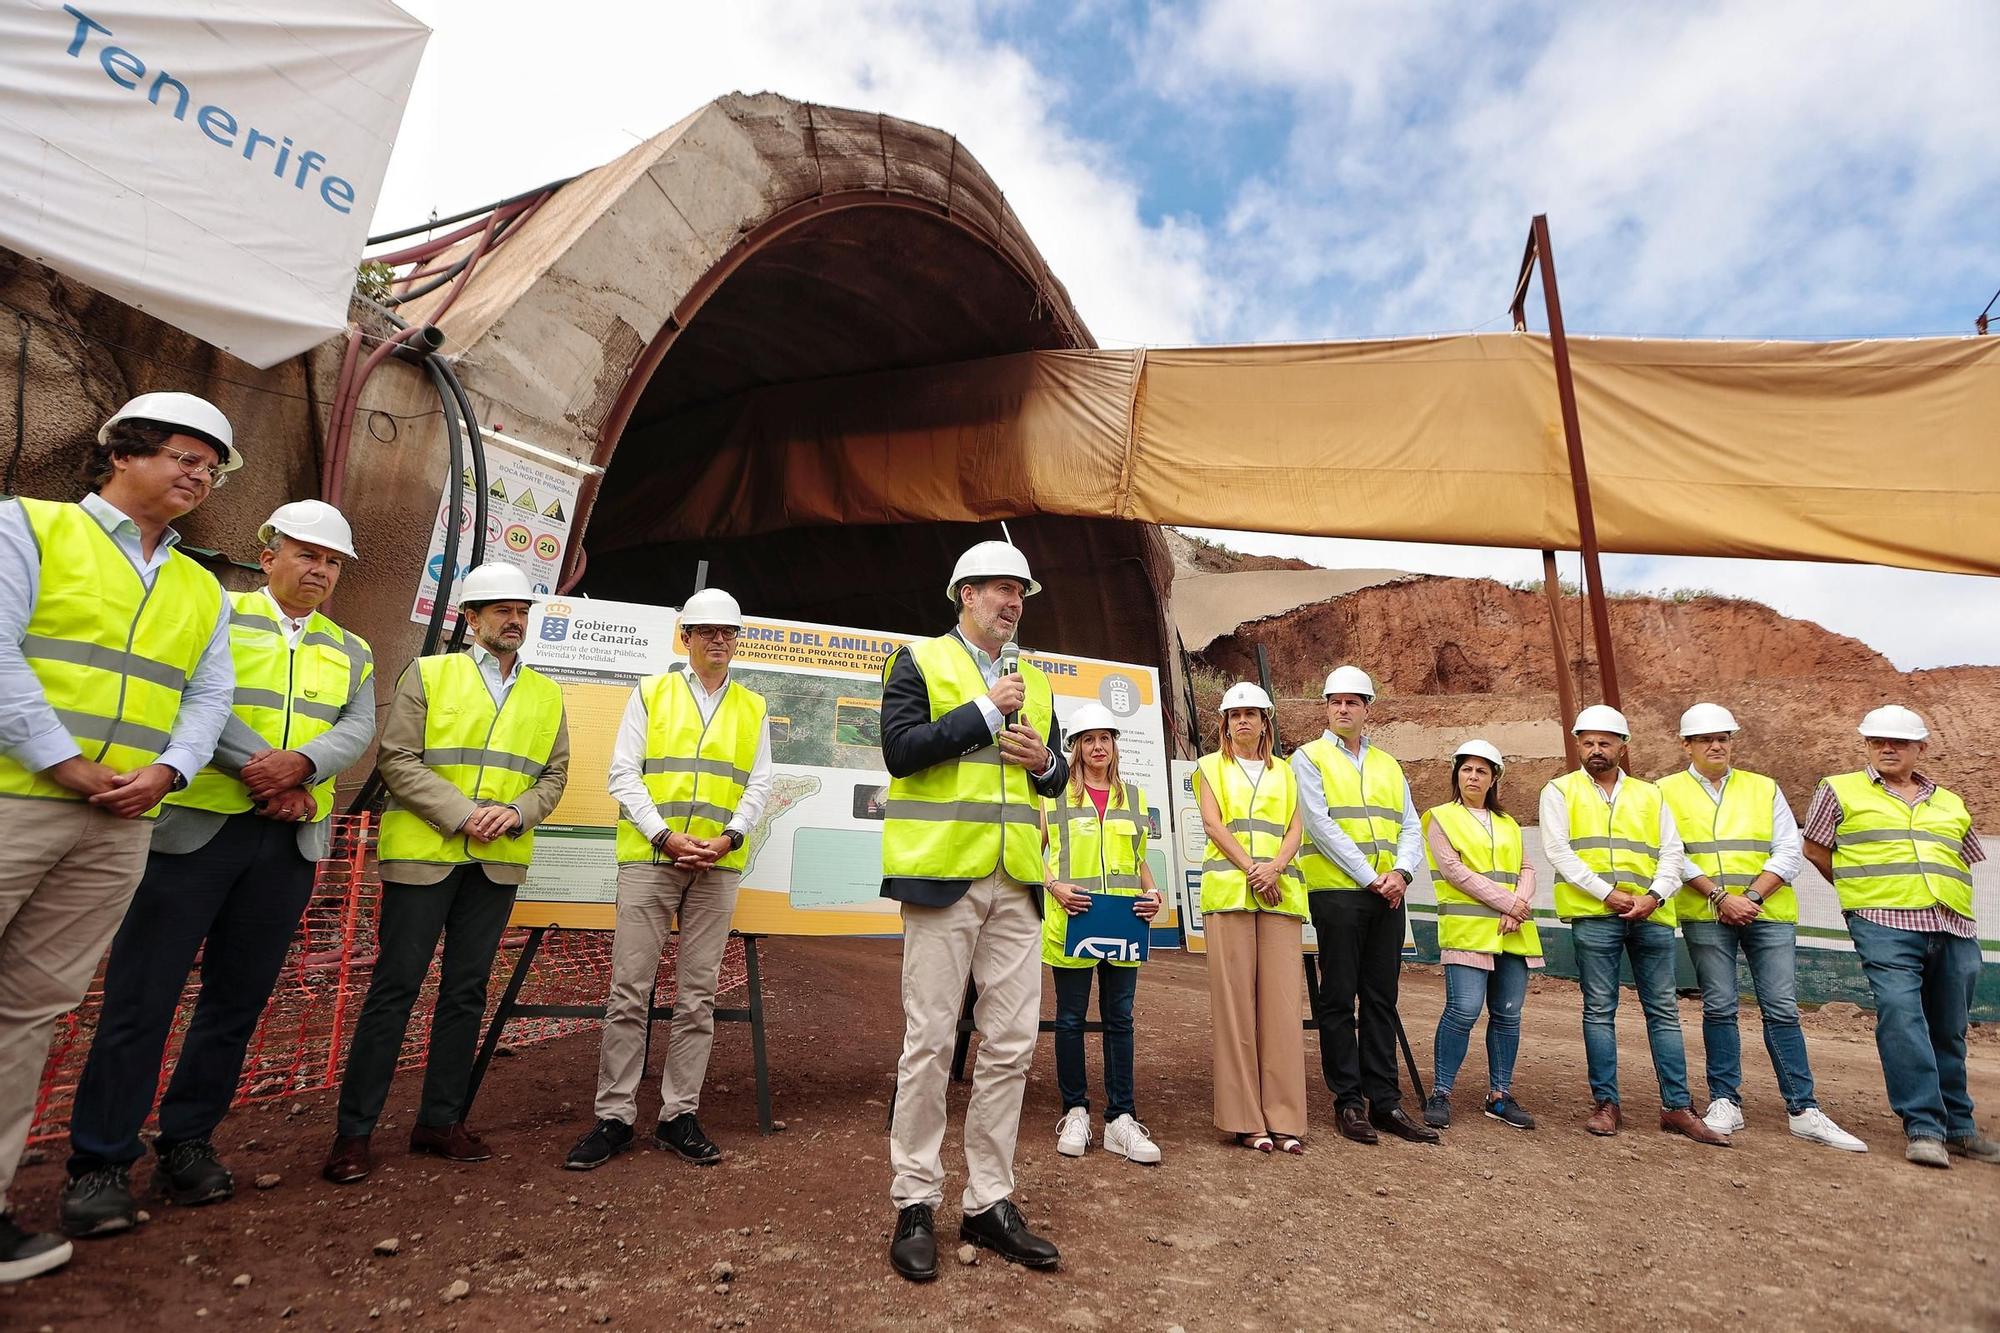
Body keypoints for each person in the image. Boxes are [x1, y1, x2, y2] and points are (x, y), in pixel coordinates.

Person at [62, 501, 376, 1237]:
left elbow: (358, 726)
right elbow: (195, 696)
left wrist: (303, 767)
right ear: (267, 554)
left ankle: (188, 1141)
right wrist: (263, 770)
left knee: (236, 1003)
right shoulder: (217, 614)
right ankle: (100, 1161)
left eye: (331, 560)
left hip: (287, 843)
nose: (320, 570)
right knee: (144, 996)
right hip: (197, 830)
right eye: (306, 553)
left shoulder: (351, 648)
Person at [0, 392, 237, 1283]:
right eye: (184, 457)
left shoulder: (198, 585)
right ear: (123, 453)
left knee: (30, 1008)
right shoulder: (29, 528)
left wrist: (170, 770)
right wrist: (60, 759)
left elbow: (207, 696)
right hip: (17, 796)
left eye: (211, 469)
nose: (198, 476)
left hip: (121, 820)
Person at [322, 562, 569, 1184]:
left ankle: (440, 1121)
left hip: (498, 860)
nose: (514, 620)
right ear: (471, 618)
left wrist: (513, 813)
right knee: (395, 988)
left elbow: (554, 775)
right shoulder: (429, 674)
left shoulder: (545, 692)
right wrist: (463, 815)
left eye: (522, 611)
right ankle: (355, 1133)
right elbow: (397, 758)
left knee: (466, 992)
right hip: (426, 854)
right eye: (501, 610)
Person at [881, 541, 1067, 1282]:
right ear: (963, 594)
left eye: (1019, 591)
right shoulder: (920, 664)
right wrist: (988, 711)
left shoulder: (1038, 682)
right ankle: (916, 1200)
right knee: (929, 1042)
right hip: (943, 879)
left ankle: (989, 1201)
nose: (1012, 601)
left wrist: (1044, 762)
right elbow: (901, 751)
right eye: (997, 588)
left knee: (1013, 1044)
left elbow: (1051, 775)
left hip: (1017, 882)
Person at [567, 588, 772, 1170]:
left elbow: (759, 784)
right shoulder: (652, 693)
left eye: (728, 631)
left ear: (737, 639)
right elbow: (623, 773)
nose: (718, 640)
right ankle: (614, 1117)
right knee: (629, 990)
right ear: (686, 637)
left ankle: (678, 1115)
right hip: (651, 860)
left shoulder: (752, 707)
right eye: (706, 630)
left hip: (717, 864)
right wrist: (663, 835)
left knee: (697, 996)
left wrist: (729, 837)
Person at [1660, 703, 1865, 1152]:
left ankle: (1803, 1108)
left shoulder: (1763, 787)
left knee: (1781, 1008)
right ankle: (1724, 1101)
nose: (1718, 745)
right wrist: (1719, 897)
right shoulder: (1664, 792)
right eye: (1707, 738)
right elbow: (1673, 854)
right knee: (1719, 1006)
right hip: (1707, 914)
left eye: (1725, 738)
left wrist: (1750, 898)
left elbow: (1789, 850)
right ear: (1687, 744)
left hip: (1765, 913)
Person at [1801, 705, 1996, 1170]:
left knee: (1949, 1028)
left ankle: (1959, 1128)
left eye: (1899, 742)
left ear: (1920, 748)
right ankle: (1924, 1127)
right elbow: (1815, 848)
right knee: (1904, 1019)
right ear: (1867, 745)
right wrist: (1861, 894)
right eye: (1877, 742)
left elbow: (1962, 856)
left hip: (1952, 925)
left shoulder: (1949, 800)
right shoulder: (1838, 790)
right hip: (1883, 923)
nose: (1887, 749)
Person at [1541, 705, 1726, 1145]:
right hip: (1595, 915)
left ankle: (1677, 1107)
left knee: (1662, 1010)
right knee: (1599, 1010)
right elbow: (1559, 851)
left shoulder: (1650, 794)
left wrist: (1654, 896)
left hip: (1651, 914)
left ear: (1623, 745)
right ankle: (1607, 1104)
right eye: (1587, 742)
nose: (1595, 750)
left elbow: (1672, 852)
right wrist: (1607, 893)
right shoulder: (1559, 791)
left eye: (1605, 742)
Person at [1291, 666, 1436, 1146]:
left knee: (1381, 1000)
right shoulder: (1308, 758)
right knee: (1338, 999)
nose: (1343, 708)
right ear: (1326, 707)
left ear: (1367, 708)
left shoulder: (1389, 766)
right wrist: (1372, 876)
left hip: (1388, 895)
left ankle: (1387, 1100)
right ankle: (1349, 1102)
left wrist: (1402, 874)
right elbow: (1319, 824)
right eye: (1335, 701)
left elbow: (1410, 825)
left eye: (1353, 702)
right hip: (1338, 894)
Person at [1044, 701, 1162, 1166]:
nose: (1098, 746)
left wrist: (1154, 894)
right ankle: (1075, 1111)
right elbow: (1034, 859)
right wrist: (1054, 887)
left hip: (1123, 923)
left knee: (1120, 1021)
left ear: (1114, 745)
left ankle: (1121, 1119)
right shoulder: (1054, 797)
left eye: (1105, 738)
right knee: (1070, 1020)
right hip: (1073, 921)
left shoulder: (1133, 798)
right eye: (1088, 739)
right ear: (1075, 747)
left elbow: (1137, 860)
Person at [1197, 682, 1308, 1156]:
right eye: (1235, 714)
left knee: (1282, 1010)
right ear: (1225, 722)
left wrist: (1275, 868)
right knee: (1235, 1009)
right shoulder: (1208, 767)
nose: (1243, 721)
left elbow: (1296, 827)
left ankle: (1284, 1119)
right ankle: (1246, 1120)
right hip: (1231, 894)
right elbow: (1212, 824)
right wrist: (1252, 869)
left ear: (1266, 721)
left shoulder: (1286, 772)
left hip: (1280, 894)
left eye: (1252, 713)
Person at [1420, 740, 1540, 1132]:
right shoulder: (1440, 818)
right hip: (1469, 930)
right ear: (1456, 775)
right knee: (1463, 1011)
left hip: (1513, 932)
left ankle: (1500, 1095)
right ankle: (1441, 1092)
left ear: (1493, 780)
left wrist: (1517, 904)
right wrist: (1509, 903)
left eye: (1482, 771)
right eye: (1467, 769)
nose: (1473, 776)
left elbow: (1528, 869)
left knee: (1507, 1015)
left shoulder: (1507, 823)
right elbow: (1455, 871)